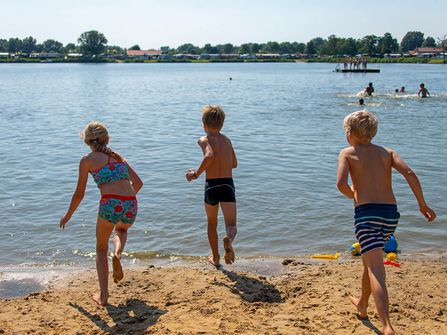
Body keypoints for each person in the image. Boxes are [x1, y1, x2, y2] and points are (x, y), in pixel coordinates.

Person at [337, 110, 436, 335]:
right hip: (390, 215)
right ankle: (362, 305)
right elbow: (409, 173)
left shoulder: (347, 153)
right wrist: (422, 204)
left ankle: (387, 326)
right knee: (370, 262)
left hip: (367, 215)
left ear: (349, 133)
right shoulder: (387, 153)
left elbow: (341, 184)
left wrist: (353, 193)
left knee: (377, 271)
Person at [60, 121, 143, 306]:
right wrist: (124, 200)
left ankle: (104, 296)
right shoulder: (118, 157)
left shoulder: (87, 160)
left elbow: (79, 194)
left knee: (100, 248)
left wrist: (68, 215)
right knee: (121, 230)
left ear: (88, 141)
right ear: (106, 139)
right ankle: (118, 255)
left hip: (110, 202)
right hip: (130, 203)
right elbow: (138, 183)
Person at [186, 105, 238, 267]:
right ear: (222, 124)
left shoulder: (204, 140)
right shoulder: (227, 140)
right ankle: (228, 240)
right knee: (231, 225)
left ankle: (215, 257)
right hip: (227, 184)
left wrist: (195, 174)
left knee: (212, 223)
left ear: (204, 123)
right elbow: (234, 164)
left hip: (212, 185)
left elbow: (209, 156)